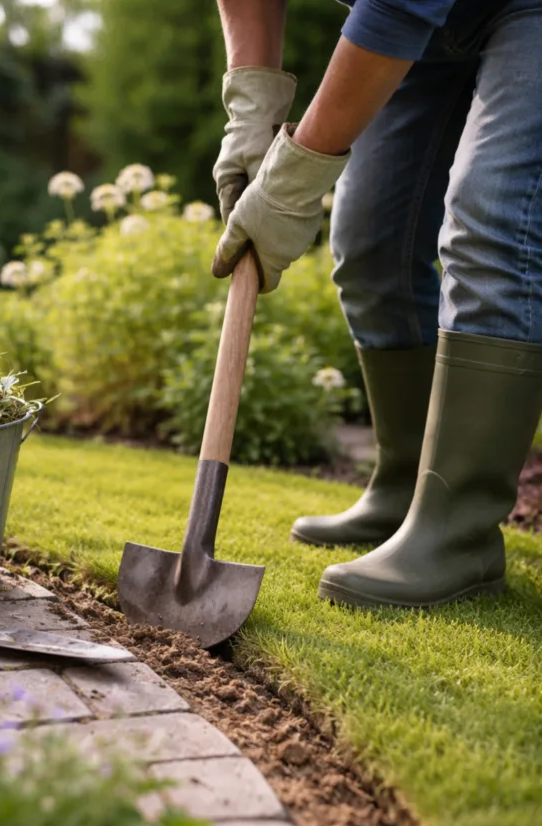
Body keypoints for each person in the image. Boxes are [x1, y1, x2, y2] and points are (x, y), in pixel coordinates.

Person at [211, 0, 542, 609]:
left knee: (492, 218)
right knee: (369, 238)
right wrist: (251, 114)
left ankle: (458, 529)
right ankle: (404, 486)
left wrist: (293, 180)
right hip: (434, 25)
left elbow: (399, 5)